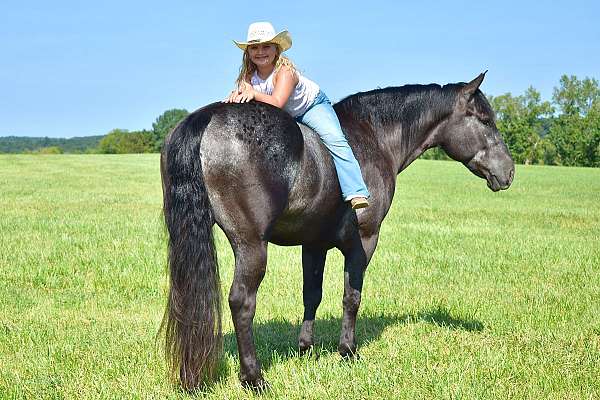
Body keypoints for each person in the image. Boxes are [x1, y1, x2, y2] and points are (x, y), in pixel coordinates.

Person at [224, 21, 370, 210]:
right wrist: (237, 96)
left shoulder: (285, 72)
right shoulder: (248, 76)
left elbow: (277, 102)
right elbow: (249, 98)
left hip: (310, 107)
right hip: (281, 114)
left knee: (335, 139)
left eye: (266, 46)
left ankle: (355, 190)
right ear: (248, 52)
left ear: (276, 49)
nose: (260, 52)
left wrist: (253, 94)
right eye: (254, 48)